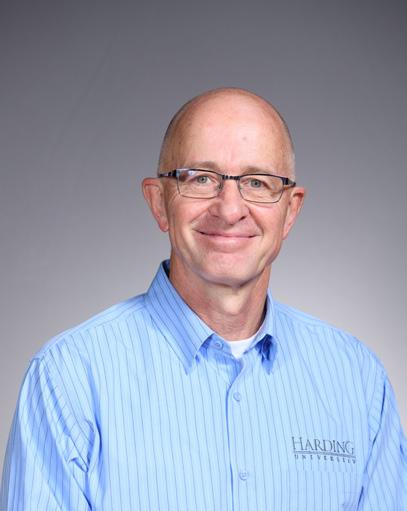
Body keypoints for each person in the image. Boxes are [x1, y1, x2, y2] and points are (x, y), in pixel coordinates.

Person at [1, 87, 406, 511]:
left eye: (256, 182)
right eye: (201, 179)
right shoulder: (69, 379)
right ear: (159, 202)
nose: (229, 209)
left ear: (290, 211)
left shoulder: (358, 381)